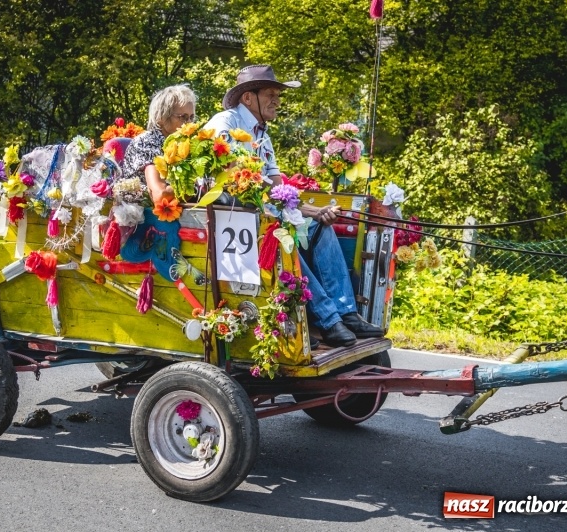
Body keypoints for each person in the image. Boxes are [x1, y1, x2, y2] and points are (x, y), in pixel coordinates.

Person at [204, 64, 384, 347]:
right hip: (236, 216)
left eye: (278, 95)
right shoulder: (225, 124)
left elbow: (278, 188)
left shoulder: (262, 134)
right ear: (248, 98)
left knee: (320, 228)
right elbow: (233, 181)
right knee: (282, 236)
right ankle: (328, 320)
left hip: (263, 213)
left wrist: (313, 212)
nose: (277, 101)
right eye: (270, 95)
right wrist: (292, 210)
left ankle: (346, 312)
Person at [122, 84, 197, 203]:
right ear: (162, 117)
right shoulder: (147, 142)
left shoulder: (182, 144)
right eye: (183, 117)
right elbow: (160, 195)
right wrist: (197, 188)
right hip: (141, 212)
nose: (189, 123)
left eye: (191, 117)